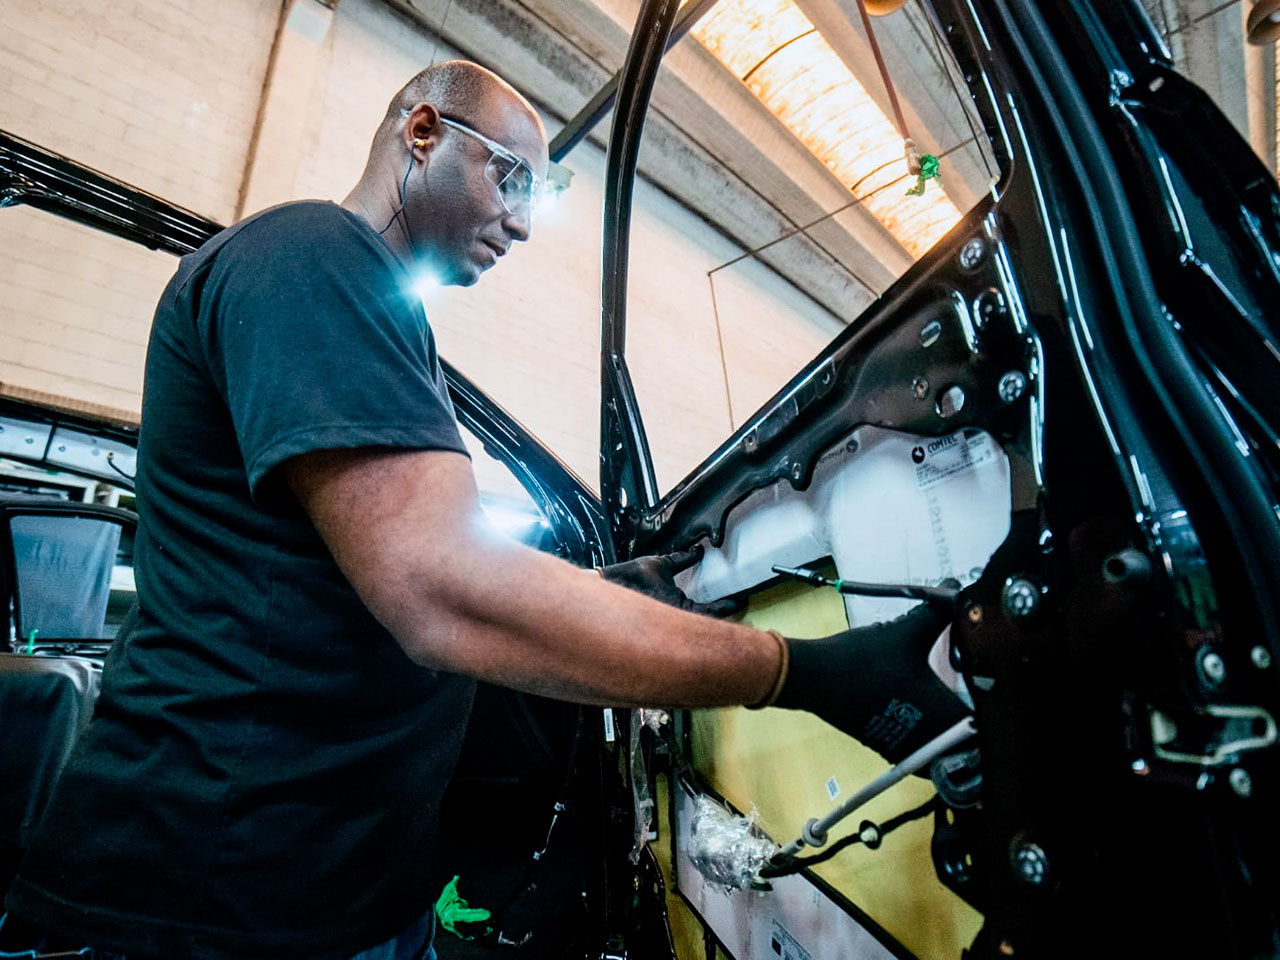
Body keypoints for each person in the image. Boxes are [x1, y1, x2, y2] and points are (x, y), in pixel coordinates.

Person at [3, 61, 968, 960]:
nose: (522, 223)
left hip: (336, 892)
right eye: (512, 179)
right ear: (423, 132)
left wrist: (593, 596)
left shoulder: (381, 315)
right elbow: (443, 590)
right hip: (215, 898)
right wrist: (805, 674)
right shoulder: (313, 257)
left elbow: (353, 580)